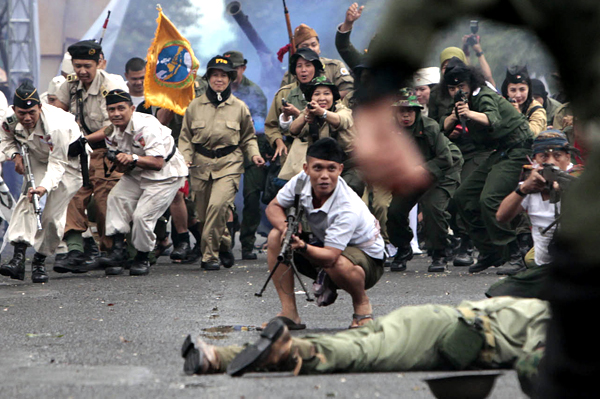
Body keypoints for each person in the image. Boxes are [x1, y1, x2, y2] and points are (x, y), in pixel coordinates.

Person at [181, 296, 548, 389]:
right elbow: (537, 366)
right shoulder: (556, 319)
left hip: (434, 317)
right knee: (356, 353)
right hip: (444, 336)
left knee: (352, 340)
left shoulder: (545, 304)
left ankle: (213, 355)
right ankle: (291, 351)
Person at [262, 138, 384, 330]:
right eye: (317, 168)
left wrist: (301, 247)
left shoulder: (347, 206)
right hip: (324, 246)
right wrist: (286, 227)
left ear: (340, 170)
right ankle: (289, 313)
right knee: (276, 237)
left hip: (365, 260)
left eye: (331, 169)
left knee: (338, 264)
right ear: (306, 168)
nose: (324, 176)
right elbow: (273, 207)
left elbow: (330, 257)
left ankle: (362, 306)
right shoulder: (300, 182)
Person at [440, 57, 534, 274]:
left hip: (519, 148)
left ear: (470, 83)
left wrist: (468, 114)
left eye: (461, 86)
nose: (457, 91)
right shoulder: (461, 104)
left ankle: (514, 253)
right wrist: (454, 118)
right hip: (500, 151)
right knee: (462, 197)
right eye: (452, 87)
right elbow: (442, 128)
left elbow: (493, 119)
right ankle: (490, 251)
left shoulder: (482, 95)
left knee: (489, 198)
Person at [178, 55, 264, 271]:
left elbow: (248, 138)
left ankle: (210, 256)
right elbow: (186, 138)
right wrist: (185, 159)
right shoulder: (194, 106)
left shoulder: (240, 107)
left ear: (229, 79)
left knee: (218, 207)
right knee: (205, 214)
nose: (219, 79)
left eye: (223, 76)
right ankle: (224, 243)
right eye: (215, 75)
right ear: (208, 79)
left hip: (229, 164)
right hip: (200, 164)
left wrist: (254, 154)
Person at [96, 90, 188, 276]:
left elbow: (157, 162)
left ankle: (142, 256)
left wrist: (131, 158)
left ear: (132, 108)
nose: (116, 114)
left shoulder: (146, 126)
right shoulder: (112, 132)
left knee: (142, 216)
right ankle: (117, 250)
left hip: (165, 174)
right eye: (111, 109)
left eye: (121, 108)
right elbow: (122, 169)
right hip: (137, 171)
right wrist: (118, 161)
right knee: (116, 198)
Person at [54, 40, 125, 272]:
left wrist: (83, 140)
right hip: (78, 152)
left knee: (106, 200)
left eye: (87, 66)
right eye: (77, 66)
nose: (82, 71)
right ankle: (75, 249)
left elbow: (113, 126)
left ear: (99, 63)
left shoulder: (111, 84)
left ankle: (113, 250)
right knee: (70, 193)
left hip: (108, 150)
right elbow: (56, 112)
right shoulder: (71, 84)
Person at [0, 83, 83, 283]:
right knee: (28, 201)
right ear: (14, 110)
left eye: (31, 112)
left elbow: (58, 163)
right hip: (37, 157)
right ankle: (18, 257)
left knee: (52, 217)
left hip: (69, 164)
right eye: (22, 113)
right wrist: (15, 155)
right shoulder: (10, 120)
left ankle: (40, 259)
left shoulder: (56, 125)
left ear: (40, 107)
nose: (27, 118)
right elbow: (4, 139)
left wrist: (43, 187)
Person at [387, 88, 462, 272]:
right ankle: (403, 249)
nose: (406, 115)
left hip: (444, 170)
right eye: (401, 111)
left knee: (432, 207)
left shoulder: (429, 127)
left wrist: (421, 169)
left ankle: (439, 253)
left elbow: (446, 158)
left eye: (410, 111)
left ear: (417, 112)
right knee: (395, 211)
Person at [222, 50, 270, 261]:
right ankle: (226, 240)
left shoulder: (254, 92)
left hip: (252, 146)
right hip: (225, 148)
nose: (231, 75)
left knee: (251, 196)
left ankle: (248, 243)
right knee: (224, 196)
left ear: (243, 68)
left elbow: (260, 125)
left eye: (235, 70)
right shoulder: (215, 90)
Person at [289, 76, 364, 196]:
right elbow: (293, 130)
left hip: (348, 166)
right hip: (321, 166)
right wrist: (305, 116)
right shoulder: (310, 111)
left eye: (326, 93)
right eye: (317, 94)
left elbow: (341, 120)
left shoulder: (342, 110)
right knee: (300, 193)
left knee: (347, 193)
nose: (322, 98)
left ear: (333, 96)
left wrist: (322, 113)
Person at [265, 48, 323, 163]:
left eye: (308, 65)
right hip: (292, 154)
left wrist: (297, 113)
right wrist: (278, 141)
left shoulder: (326, 92)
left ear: (315, 67)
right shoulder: (284, 93)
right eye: (299, 66)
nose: (303, 70)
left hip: (320, 151)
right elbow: (271, 125)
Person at [280, 24, 354, 98]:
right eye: (305, 46)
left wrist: (327, 99)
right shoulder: (290, 75)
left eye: (313, 45)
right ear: (297, 50)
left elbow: (349, 91)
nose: (311, 49)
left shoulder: (334, 67)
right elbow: (282, 98)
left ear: (319, 47)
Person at [501, 66, 547, 136]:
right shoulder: (502, 106)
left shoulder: (537, 110)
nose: (518, 95)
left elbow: (532, 134)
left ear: (528, 90)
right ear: (507, 92)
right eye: (513, 90)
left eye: (522, 89)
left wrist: (518, 114)